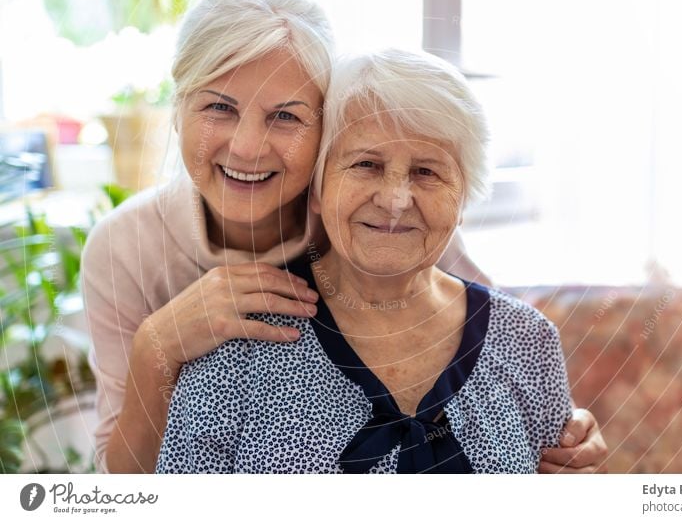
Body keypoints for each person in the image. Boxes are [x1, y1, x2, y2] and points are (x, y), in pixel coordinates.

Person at [81, 0, 607, 474]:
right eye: (218, 107)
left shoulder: (383, 219)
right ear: (177, 110)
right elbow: (128, 484)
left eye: (285, 116)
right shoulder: (125, 247)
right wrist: (159, 344)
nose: (246, 148)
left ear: (325, 131)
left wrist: (563, 436)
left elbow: (496, 353)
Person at [157, 48, 574, 473]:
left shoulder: (528, 341)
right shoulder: (238, 341)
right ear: (316, 190)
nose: (395, 200)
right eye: (366, 164)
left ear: (463, 197)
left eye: (426, 172)